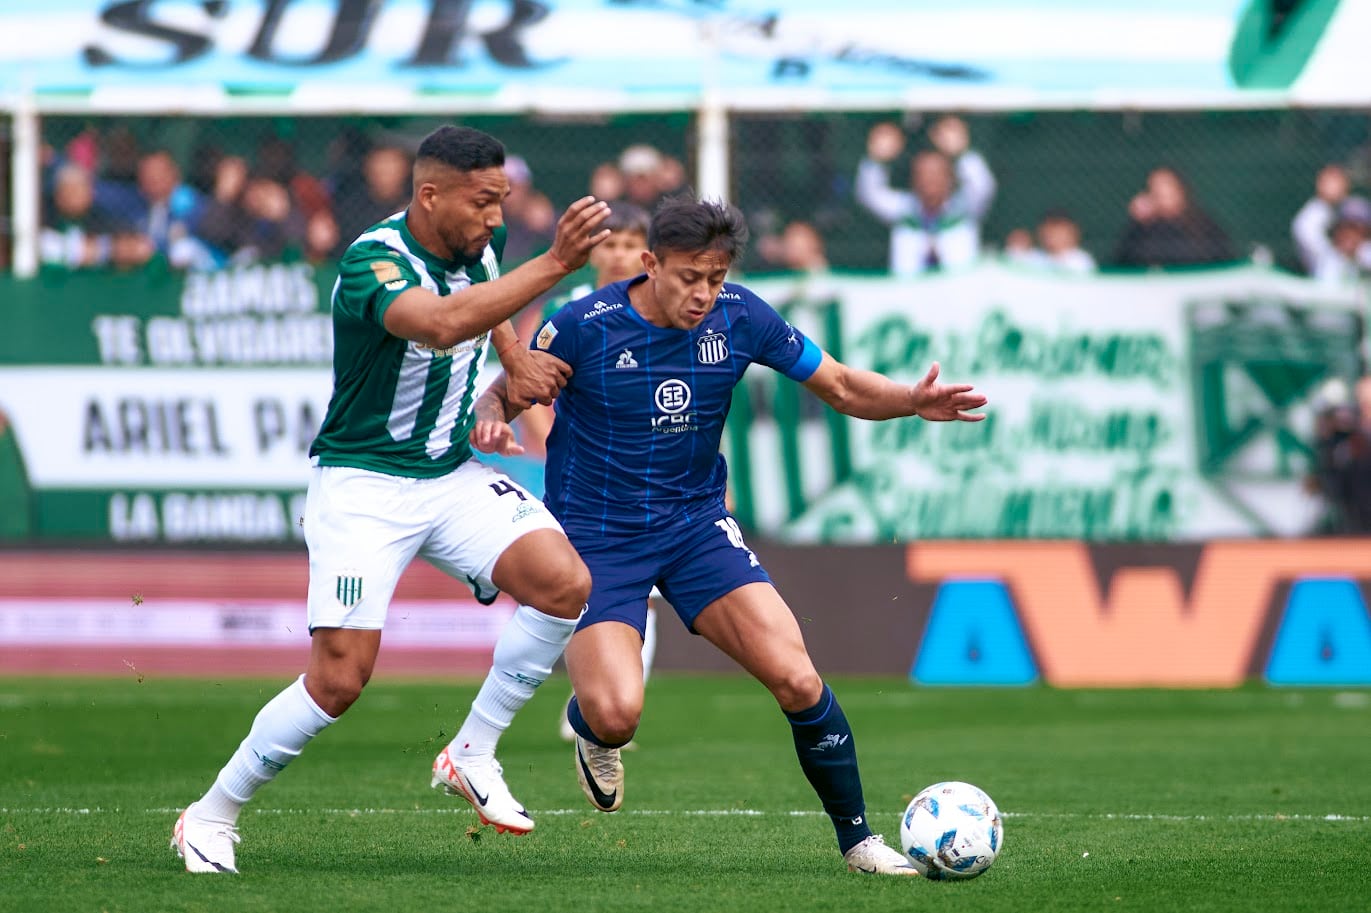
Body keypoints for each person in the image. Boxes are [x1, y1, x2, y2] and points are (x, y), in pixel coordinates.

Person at [471, 197, 987, 876]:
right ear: (651, 264)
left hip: (694, 527)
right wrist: (489, 417)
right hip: (597, 538)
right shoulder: (582, 326)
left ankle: (858, 840)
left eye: (714, 277)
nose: (703, 293)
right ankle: (594, 730)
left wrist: (909, 401)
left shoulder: (741, 314)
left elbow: (837, 385)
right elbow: (505, 392)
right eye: (689, 276)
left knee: (796, 675)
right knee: (617, 713)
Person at [171, 125, 613, 874]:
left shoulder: (473, 245)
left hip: (446, 473)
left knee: (564, 583)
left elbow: (484, 299)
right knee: (340, 678)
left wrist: (510, 367)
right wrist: (558, 263)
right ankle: (211, 813)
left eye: (502, 202)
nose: (495, 218)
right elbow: (441, 324)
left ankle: (470, 752)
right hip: (365, 483)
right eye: (483, 202)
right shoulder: (373, 260)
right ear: (429, 194)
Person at [854, 116, 996, 276]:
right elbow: (869, 194)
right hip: (910, 294)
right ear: (913, 180)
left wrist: (962, 153)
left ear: (950, 178)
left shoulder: (965, 207)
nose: (930, 181)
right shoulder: (904, 209)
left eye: (937, 174)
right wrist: (876, 160)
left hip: (959, 294)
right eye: (923, 175)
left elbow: (983, 185)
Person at [1114, 166, 1235, 268]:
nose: (1161, 193)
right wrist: (1138, 223)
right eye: (1155, 188)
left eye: (1167, 186)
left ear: (1180, 190)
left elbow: (1220, 256)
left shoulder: (1201, 224)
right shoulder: (1144, 227)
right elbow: (1125, 260)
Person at [1291, 164, 1371, 283]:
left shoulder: (1365, 252)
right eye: (1346, 228)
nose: (1350, 235)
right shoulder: (1310, 219)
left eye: (1356, 229)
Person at [1003, 209, 1097, 274]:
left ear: (1073, 233)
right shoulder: (1035, 257)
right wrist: (1016, 246)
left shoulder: (1081, 260)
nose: (1053, 234)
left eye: (1058, 230)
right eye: (1049, 229)